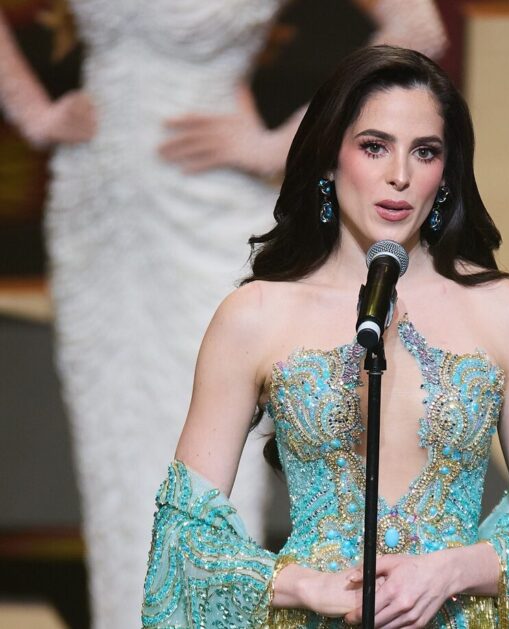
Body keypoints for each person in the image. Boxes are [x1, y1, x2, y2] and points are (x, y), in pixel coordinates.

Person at [0, 4, 446, 628]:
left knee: (218, 462)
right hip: (101, 213)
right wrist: (36, 116)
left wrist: (277, 146)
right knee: (116, 466)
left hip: (210, 207)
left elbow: (419, 25)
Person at [142, 45, 509, 628]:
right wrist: (305, 585)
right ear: (329, 159)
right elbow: (181, 541)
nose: (400, 175)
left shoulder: (505, 312)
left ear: (446, 173)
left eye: (425, 152)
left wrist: (448, 571)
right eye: (374, 146)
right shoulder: (254, 316)